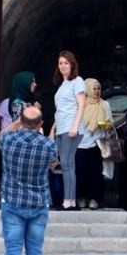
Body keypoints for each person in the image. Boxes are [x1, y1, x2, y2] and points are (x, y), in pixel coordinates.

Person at [0, 104, 58, 255]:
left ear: (21, 121)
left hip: (12, 201)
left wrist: (17, 123)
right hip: (39, 202)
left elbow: (0, 136)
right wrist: (50, 132)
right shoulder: (48, 145)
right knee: (35, 251)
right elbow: (53, 165)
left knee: (13, 249)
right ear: (40, 124)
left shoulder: (9, 140)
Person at [49, 51, 86, 210]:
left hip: (71, 127)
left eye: (66, 63)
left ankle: (69, 200)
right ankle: (69, 201)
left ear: (72, 64)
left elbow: (81, 105)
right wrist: (53, 130)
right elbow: (59, 111)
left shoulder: (77, 81)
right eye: (60, 63)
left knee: (66, 163)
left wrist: (75, 126)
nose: (63, 66)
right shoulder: (62, 85)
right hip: (61, 127)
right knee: (66, 163)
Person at [76, 77, 112, 209]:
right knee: (80, 172)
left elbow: (110, 123)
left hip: (97, 143)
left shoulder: (104, 105)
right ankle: (81, 197)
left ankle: (94, 199)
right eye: (94, 89)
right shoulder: (79, 104)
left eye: (98, 89)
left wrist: (105, 125)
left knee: (95, 173)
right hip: (80, 144)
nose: (96, 91)